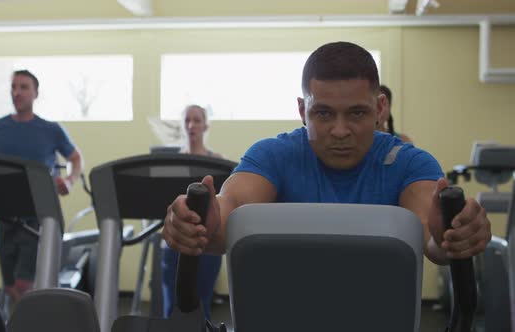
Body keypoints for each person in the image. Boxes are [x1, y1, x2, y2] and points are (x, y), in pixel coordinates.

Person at [163, 42, 491, 270]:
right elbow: (229, 212)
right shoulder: (274, 155)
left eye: (357, 114)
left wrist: (452, 236)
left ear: (379, 109)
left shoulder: (409, 162)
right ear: (302, 110)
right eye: (323, 113)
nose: (339, 130)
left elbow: (429, 237)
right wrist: (200, 223)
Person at [0, 69, 84, 303]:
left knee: (26, 283)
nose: (17, 92)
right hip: (3, 214)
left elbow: (75, 158)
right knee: (11, 286)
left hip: (38, 213)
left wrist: (69, 181)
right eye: (14, 87)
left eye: (24, 87)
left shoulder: (50, 129)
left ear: (35, 93)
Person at [161, 105, 222, 320]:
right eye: (187, 120)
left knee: (201, 305)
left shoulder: (217, 161)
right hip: (174, 242)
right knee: (172, 307)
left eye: (197, 120)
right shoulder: (170, 163)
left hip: (205, 242)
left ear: (205, 125)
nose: (191, 125)